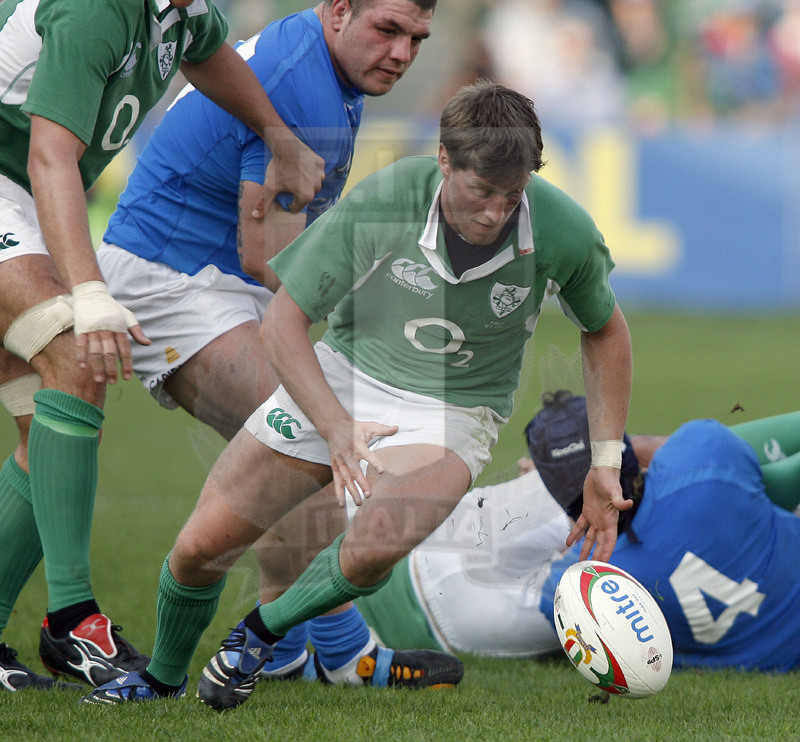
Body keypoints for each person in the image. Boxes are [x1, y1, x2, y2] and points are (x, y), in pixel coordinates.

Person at [81, 79, 633, 708]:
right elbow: (283, 322)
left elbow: (606, 331)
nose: (494, 213)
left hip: (455, 409)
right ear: (445, 161)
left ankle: (260, 634)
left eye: (512, 196)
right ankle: (161, 680)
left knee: (373, 547)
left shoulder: (563, 229)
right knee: (201, 549)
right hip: (345, 375)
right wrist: (337, 427)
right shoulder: (391, 197)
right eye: (481, 192)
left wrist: (604, 462)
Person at [94, 0, 439, 692]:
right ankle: (343, 653)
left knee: (300, 434)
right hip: (173, 279)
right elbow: (270, 256)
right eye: (388, 29)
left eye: (417, 38)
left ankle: (279, 650)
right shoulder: (301, 81)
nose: (402, 53)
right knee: (302, 429)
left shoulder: (329, 64)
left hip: (217, 278)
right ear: (338, 10)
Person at [0, 0, 327, 692]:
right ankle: (72, 621)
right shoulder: (97, 9)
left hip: (22, 195)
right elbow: (50, 154)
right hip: (16, 182)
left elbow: (208, 55)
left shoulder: (181, 7)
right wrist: (88, 295)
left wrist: (276, 132)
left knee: (41, 417)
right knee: (72, 358)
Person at [353, 392, 800, 673]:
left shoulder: (577, 579)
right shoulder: (702, 463)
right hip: (441, 610)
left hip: (414, 574)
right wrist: (636, 452)